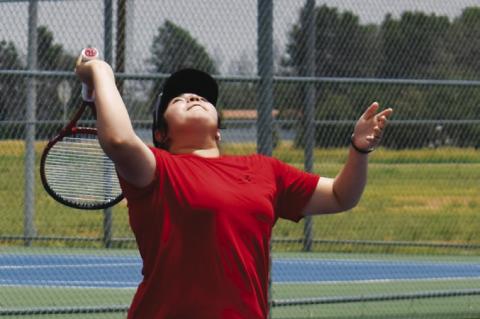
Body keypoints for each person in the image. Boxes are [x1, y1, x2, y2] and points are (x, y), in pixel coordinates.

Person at [75, 57, 393, 319]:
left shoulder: (264, 170)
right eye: (178, 99)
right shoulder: (156, 171)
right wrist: (100, 71)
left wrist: (359, 149)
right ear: (161, 133)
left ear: (219, 133)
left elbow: (341, 195)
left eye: (201, 97)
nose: (194, 98)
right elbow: (118, 139)